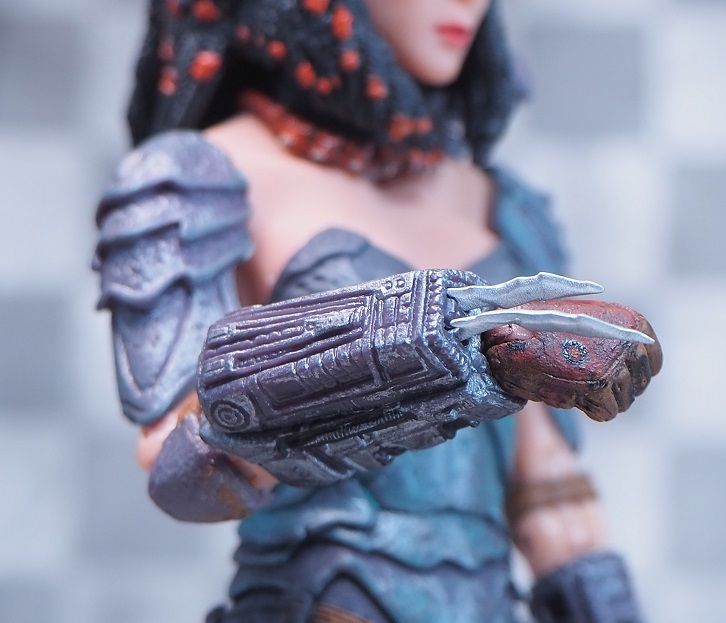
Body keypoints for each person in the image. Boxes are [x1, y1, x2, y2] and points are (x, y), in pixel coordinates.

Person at [94, 1, 662, 621]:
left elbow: (552, 493)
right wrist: (450, 353)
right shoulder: (193, 175)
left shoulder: (501, 202)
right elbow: (181, 466)